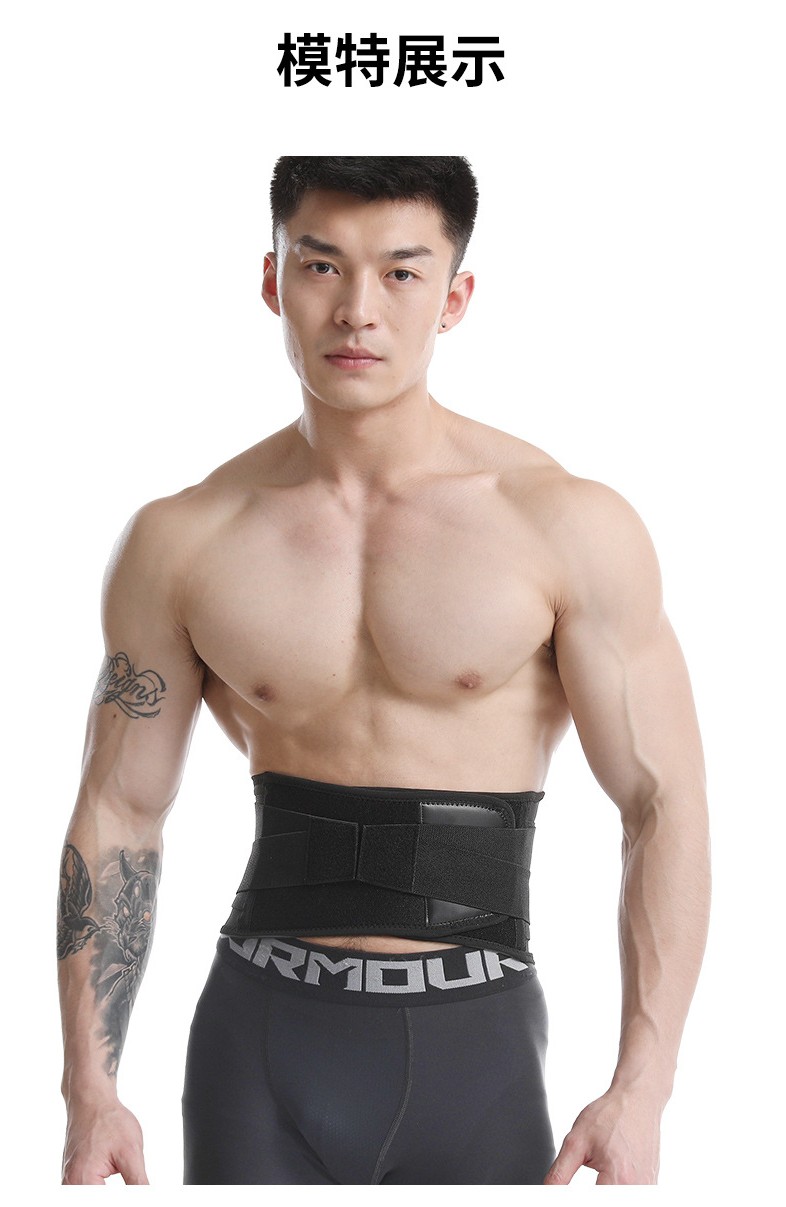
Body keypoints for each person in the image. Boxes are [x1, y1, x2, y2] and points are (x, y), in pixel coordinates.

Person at [57, 155, 711, 1186]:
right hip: (256, 1043)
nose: (357, 308)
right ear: (272, 279)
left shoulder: (563, 524)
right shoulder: (184, 540)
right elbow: (120, 810)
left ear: (454, 297)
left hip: (475, 1045)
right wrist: (90, 1090)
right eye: (321, 265)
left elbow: (663, 801)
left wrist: (645, 1086)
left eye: (402, 273)